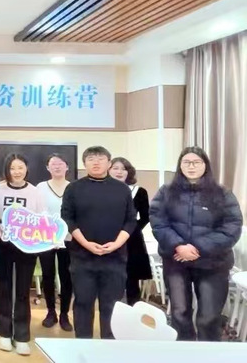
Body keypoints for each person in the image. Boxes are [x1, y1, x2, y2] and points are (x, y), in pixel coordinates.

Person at [150, 147, 243, 341]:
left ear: (205, 165)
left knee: (208, 317)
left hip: (213, 263)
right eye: (186, 162)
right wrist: (179, 246)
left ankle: (208, 353)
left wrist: (198, 247)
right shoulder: (166, 192)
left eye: (196, 162)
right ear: (180, 166)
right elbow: (158, 223)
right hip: (176, 261)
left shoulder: (222, 193)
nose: (191, 166)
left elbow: (232, 227)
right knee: (179, 313)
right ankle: (185, 351)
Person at [61, 146, 136, 339]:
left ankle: (108, 348)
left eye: (101, 158)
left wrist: (116, 244)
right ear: (84, 163)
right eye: (91, 159)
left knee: (111, 306)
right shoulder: (73, 188)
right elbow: (68, 219)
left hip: (115, 258)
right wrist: (86, 243)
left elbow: (130, 220)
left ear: (109, 163)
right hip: (82, 257)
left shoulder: (122, 189)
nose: (96, 162)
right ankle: (83, 345)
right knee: (83, 303)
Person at [0, 154, 46, 356]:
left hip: (26, 249)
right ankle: (4, 332)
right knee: (5, 288)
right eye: (13, 168)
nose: (17, 172)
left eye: (20, 167)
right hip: (2, 246)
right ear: (7, 170)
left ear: (26, 169)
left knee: (22, 290)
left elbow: (41, 219)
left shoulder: (34, 192)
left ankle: (22, 336)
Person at [35, 153, 73, 331]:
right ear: (47, 168)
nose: (57, 166)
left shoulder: (74, 187)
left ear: (67, 167)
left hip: (69, 238)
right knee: (47, 275)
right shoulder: (40, 187)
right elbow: (35, 211)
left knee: (67, 276)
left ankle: (65, 313)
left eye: (60, 163)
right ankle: (51, 312)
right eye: (53, 164)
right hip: (46, 238)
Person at [109, 157, 152, 305]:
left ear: (129, 172)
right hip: (108, 238)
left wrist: (130, 230)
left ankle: (133, 310)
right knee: (111, 278)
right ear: (108, 170)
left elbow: (146, 217)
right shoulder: (102, 191)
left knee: (132, 279)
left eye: (123, 169)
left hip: (132, 241)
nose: (119, 172)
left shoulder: (139, 192)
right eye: (115, 168)